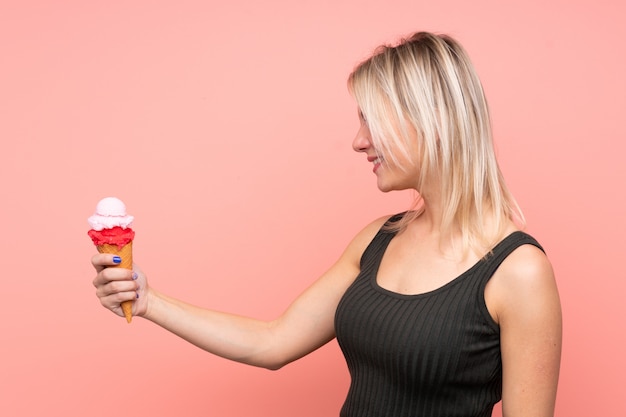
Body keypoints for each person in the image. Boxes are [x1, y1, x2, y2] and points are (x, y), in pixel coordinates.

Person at [92, 31, 562, 417]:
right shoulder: (380, 238)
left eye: (371, 120)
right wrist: (149, 301)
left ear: (432, 121)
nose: (358, 142)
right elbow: (272, 341)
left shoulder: (517, 271)